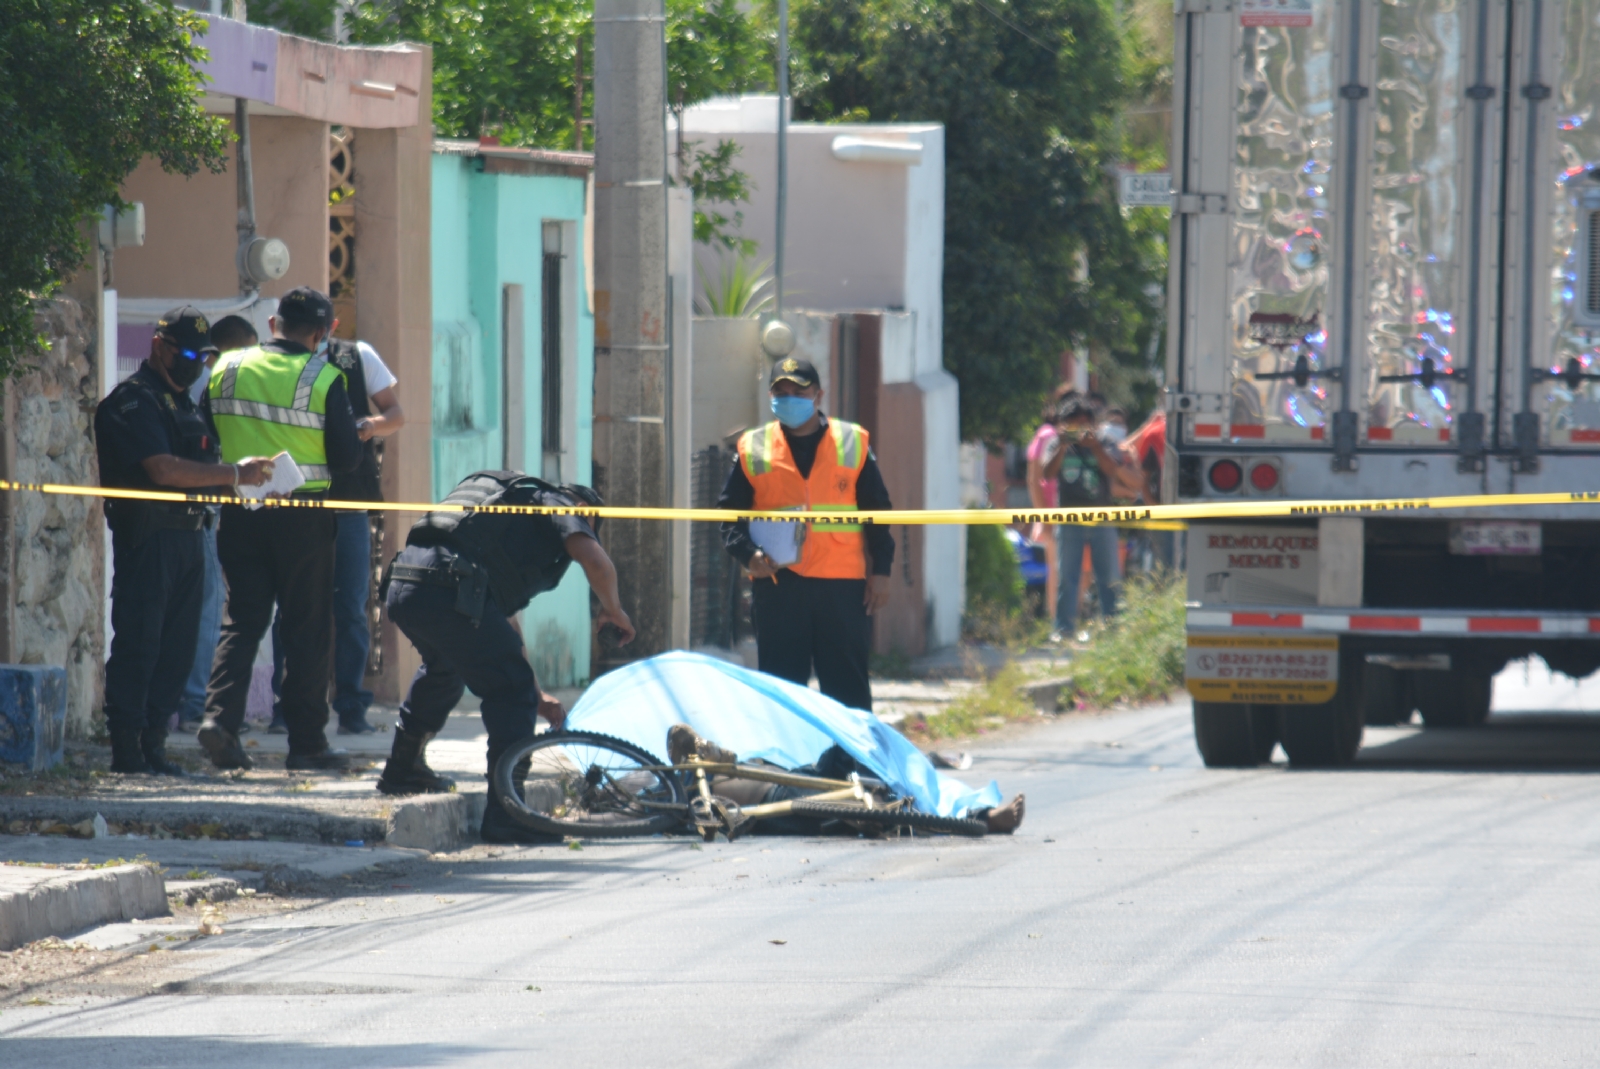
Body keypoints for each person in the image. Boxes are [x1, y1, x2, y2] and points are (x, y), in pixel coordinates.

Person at [378, 471, 636, 845]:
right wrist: (613, 609)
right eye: (592, 524)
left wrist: (537, 692)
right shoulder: (561, 505)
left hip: (407, 586)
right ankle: (508, 812)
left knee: (447, 668)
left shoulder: (509, 511)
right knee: (509, 692)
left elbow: (501, 627)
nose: (587, 530)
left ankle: (403, 768)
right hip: (448, 588)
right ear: (585, 509)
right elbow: (595, 561)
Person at [94, 307, 274, 773]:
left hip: (193, 539)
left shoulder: (188, 405)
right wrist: (235, 473)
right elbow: (163, 469)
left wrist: (245, 478)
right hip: (150, 539)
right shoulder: (134, 401)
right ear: (160, 347)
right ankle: (127, 750)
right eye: (189, 353)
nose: (196, 362)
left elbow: (203, 469)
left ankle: (155, 744)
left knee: (177, 650)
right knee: (140, 643)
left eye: (204, 354)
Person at [197, 287, 365, 771]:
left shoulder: (227, 366)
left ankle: (219, 722)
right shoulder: (324, 375)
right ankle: (308, 743)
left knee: (243, 620)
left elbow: (209, 427)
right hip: (303, 517)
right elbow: (347, 459)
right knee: (307, 628)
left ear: (275, 324)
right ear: (320, 333)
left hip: (242, 510)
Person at [718, 357, 893, 712]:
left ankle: (851, 763)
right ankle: (786, 765)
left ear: (818, 394)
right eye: (781, 391)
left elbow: (877, 512)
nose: (790, 398)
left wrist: (881, 572)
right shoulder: (753, 447)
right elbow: (728, 516)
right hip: (780, 584)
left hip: (842, 586)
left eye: (799, 391)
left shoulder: (852, 442)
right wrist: (748, 555)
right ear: (770, 396)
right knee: (782, 690)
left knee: (847, 688)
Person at [266, 334, 405, 736]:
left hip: (348, 506)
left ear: (331, 326)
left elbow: (394, 414)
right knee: (291, 610)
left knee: (350, 611)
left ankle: (350, 707)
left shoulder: (358, 356)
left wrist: (366, 426)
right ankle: (285, 707)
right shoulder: (275, 364)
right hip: (299, 504)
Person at [665, 723, 1026, 835]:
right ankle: (982, 820)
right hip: (781, 798)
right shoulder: (684, 796)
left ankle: (969, 811)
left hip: (791, 778)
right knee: (873, 807)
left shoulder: (700, 780)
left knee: (863, 753)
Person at [174, 314, 258, 734]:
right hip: (203, 507)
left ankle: (189, 703)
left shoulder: (193, 385)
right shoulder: (214, 385)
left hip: (196, 507)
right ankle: (194, 706)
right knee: (208, 606)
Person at [1041, 394, 1141, 640]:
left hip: (1101, 518)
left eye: (1083, 424)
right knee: (1067, 576)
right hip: (1069, 519)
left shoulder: (1104, 442)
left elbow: (1112, 471)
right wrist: (1064, 445)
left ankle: (1113, 629)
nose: (1079, 430)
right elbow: (1047, 473)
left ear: (1092, 424)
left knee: (1109, 576)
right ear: (1064, 424)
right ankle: (1063, 629)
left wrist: (1094, 446)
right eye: (1073, 425)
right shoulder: (1057, 443)